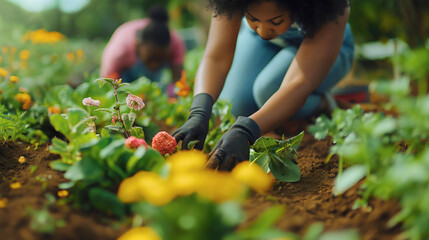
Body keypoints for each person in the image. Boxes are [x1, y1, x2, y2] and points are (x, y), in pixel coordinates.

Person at [172, 0, 355, 171]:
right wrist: (199, 112)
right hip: (268, 46)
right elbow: (216, 57)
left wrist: (246, 130)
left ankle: (321, 103)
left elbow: (299, 81)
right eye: (252, 19)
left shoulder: (329, 8)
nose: (263, 31)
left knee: (268, 90)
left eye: (276, 21)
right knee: (237, 103)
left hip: (325, 48)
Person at [100, 6, 186, 94]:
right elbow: (106, 85)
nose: (155, 65)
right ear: (138, 45)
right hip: (126, 75)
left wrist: (174, 95)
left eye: (161, 59)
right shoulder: (119, 51)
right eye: (151, 59)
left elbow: (178, 79)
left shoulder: (176, 43)